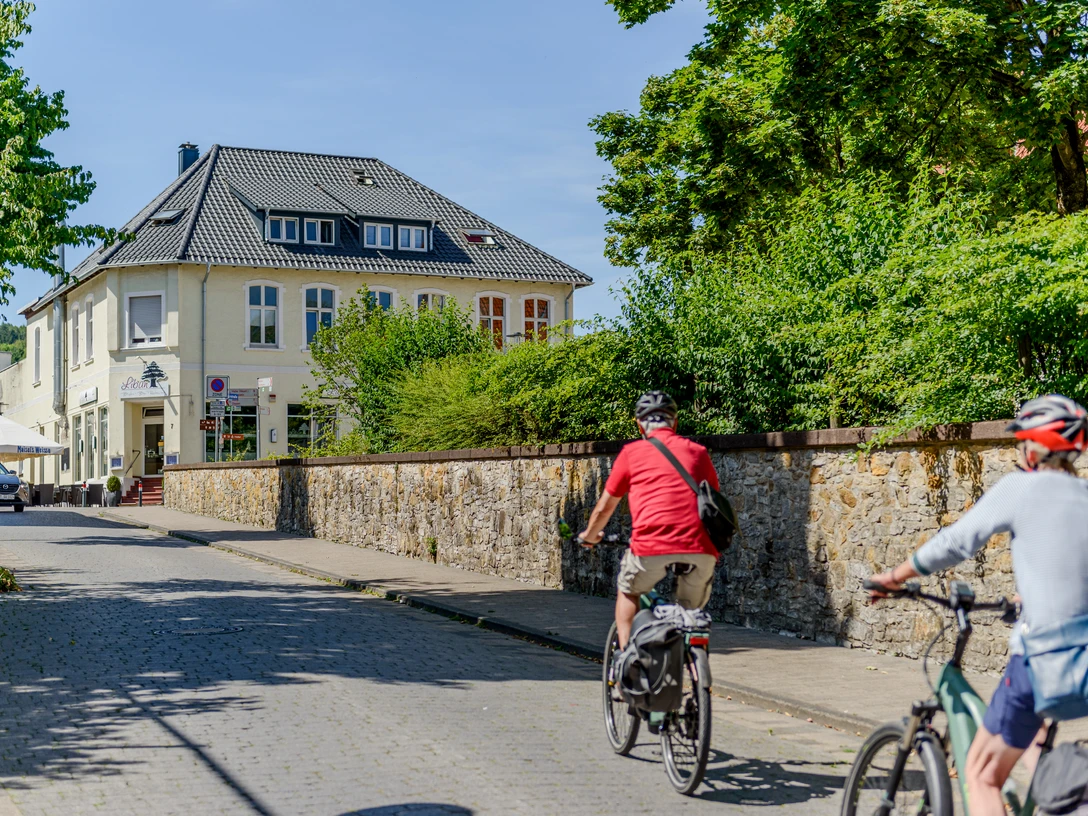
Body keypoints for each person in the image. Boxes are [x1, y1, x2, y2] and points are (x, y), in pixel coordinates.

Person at [867, 394, 1088, 816]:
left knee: (981, 775)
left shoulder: (1021, 487)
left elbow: (956, 542)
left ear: (1035, 446)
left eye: (1022, 440)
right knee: (1031, 740)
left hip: (1044, 658)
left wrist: (893, 577)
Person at [578, 391, 720, 649]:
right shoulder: (698, 452)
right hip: (701, 548)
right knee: (689, 616)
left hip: (651, 545)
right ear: (675, 422)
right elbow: (713, 500)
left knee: (629, 590)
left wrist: (589, 536)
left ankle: (627, 658)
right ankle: (696, 670)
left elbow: (604, 509)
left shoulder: (632, 453)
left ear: (639, 423)